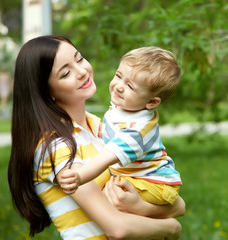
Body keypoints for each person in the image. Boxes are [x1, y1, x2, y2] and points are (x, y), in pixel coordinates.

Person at [8, 35, 185, 240]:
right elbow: (119, 229)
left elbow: (178, 204)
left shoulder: (100, 125)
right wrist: (172, 228)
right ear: (46, 92)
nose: (82, 71)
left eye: (80, 58)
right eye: (66, 73)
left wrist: (140, 206)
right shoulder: (54, 146)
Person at [59, 46, 182, 206]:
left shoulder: (137, 131)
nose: (119, 86)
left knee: (110, 195)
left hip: (155, 184)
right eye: (118, 76)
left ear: (151, 102)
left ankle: (139, 216)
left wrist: (80, 176)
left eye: (130, 86)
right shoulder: (128, 106)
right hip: (139, 176)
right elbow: (113, 127)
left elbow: (106, 159)